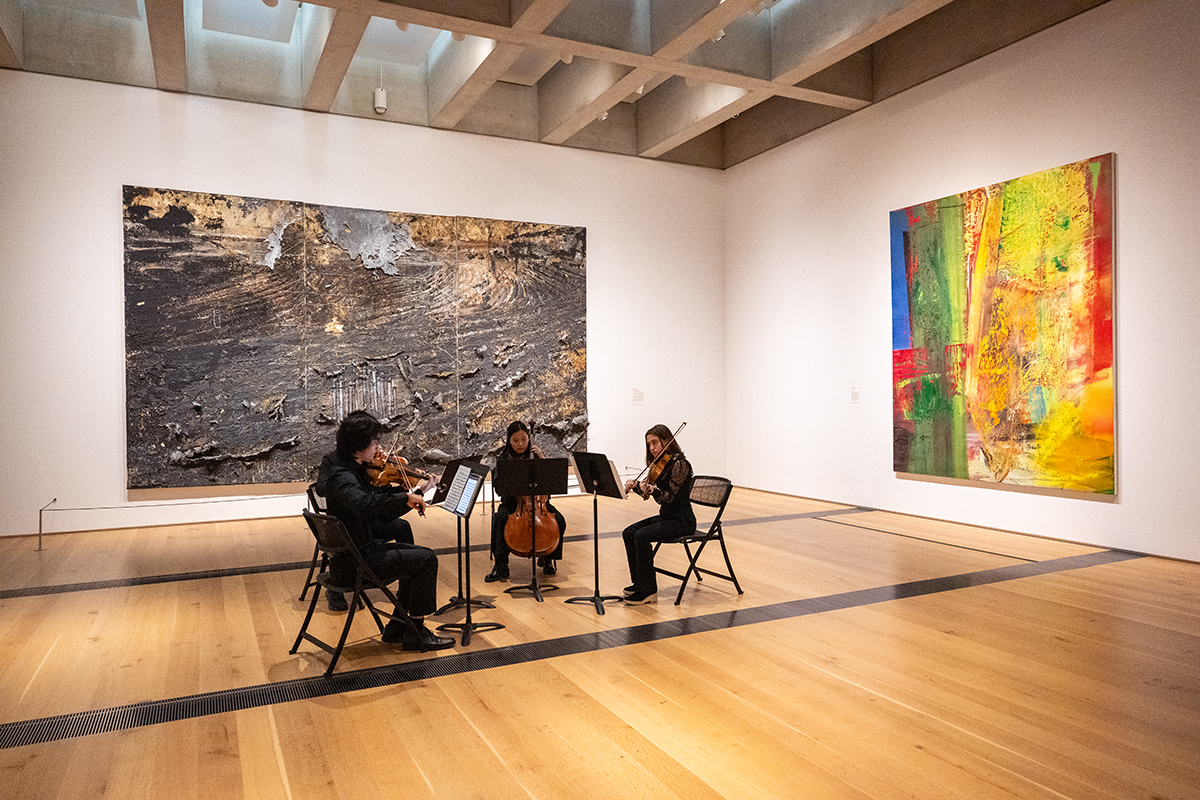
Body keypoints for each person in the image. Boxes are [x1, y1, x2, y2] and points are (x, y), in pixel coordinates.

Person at [319, 410, 454, 651]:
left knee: (416, 557)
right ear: (358, 447)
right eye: (374, 442)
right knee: (426, 559)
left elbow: (379, 508)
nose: (378, 448)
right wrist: (406, 496)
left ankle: (397, 628)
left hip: (356, 555)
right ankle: (416, 632)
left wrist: (415, 495)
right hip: (354, 565)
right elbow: (366, 506)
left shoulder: (351, 472)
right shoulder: (342, 478)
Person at [620, 424, 695, 604]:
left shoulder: (680, 464)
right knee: (629, 532)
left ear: (666, 440)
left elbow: (668, 497)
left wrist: (653, 491)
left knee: (642, 536)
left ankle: (648, 590)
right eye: (649, 444)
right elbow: (650, 495)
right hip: (667, 517)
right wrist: (637, 487)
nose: (652, 448)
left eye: (655, 442)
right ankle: (639, 583)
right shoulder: (660, 464)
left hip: (682, 521)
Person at [484, 420, 567, 582]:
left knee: (560, 520)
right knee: (500, 519)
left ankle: (547, 557)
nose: (520, 444)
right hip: (513, 505)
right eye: (515, 441)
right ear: (509, 440)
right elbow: (499, 488)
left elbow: (551, 482)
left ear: (529, 438)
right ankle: (501, 565)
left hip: (539, 504)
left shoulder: (536, 455)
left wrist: (542, 459)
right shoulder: (504, 459)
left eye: (524, 439)